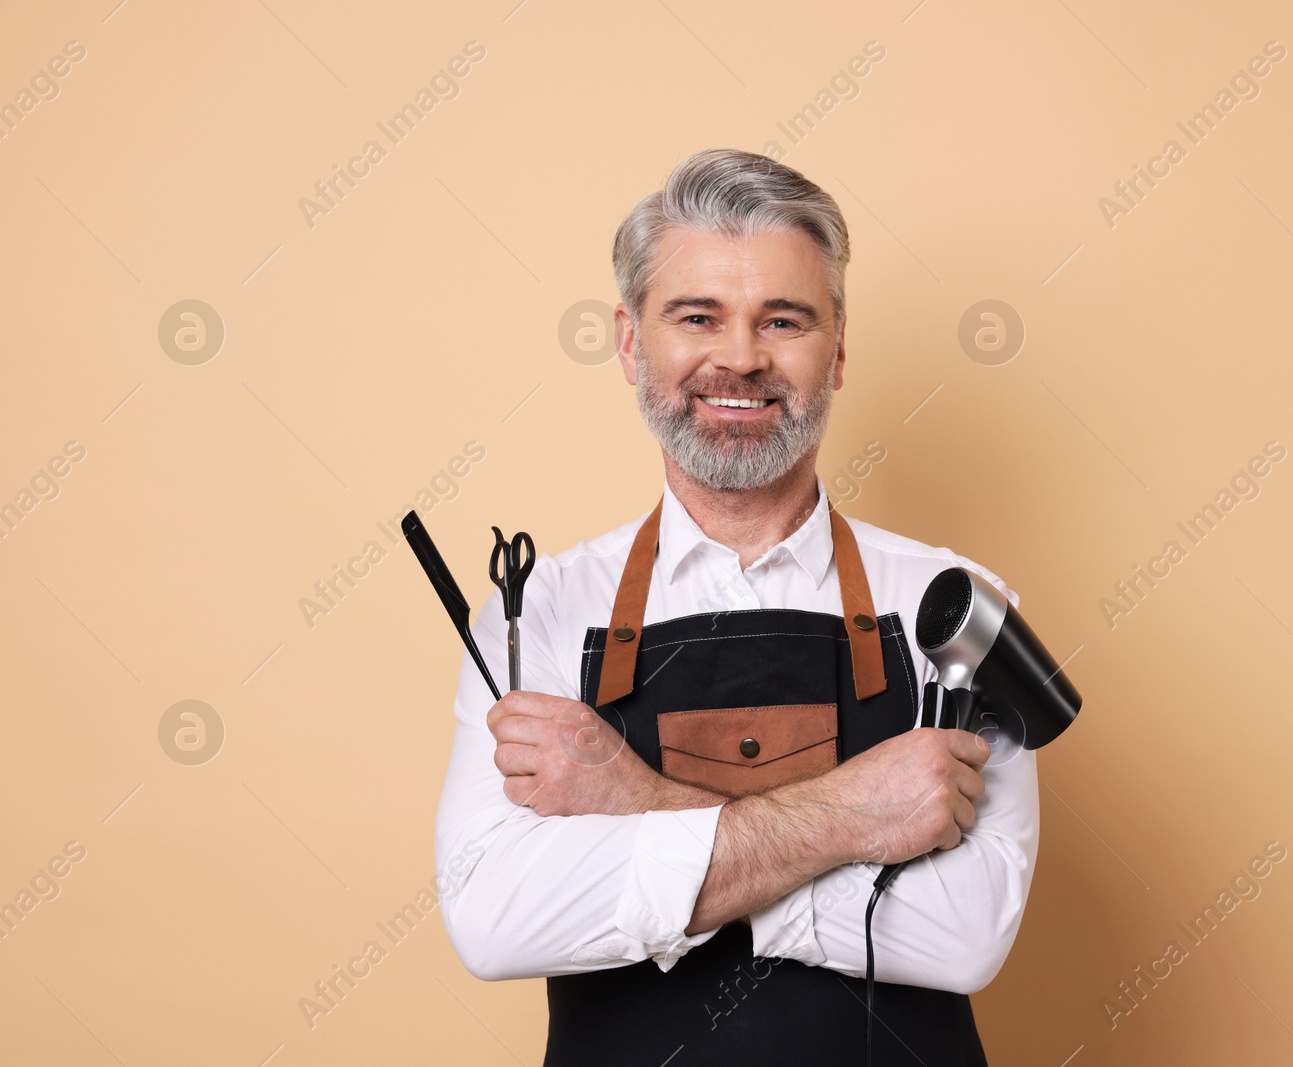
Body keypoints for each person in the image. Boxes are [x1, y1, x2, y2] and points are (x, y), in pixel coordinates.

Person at [434, 148, 1039, 1066]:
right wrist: (851, 817)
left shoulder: (951, 605)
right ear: (632, 341)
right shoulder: (540, 614)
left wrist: (635, 802)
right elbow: (495, 914)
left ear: (836, 351)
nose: (741, 358)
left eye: (784, 319)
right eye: (697, 316)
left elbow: (965, 936)